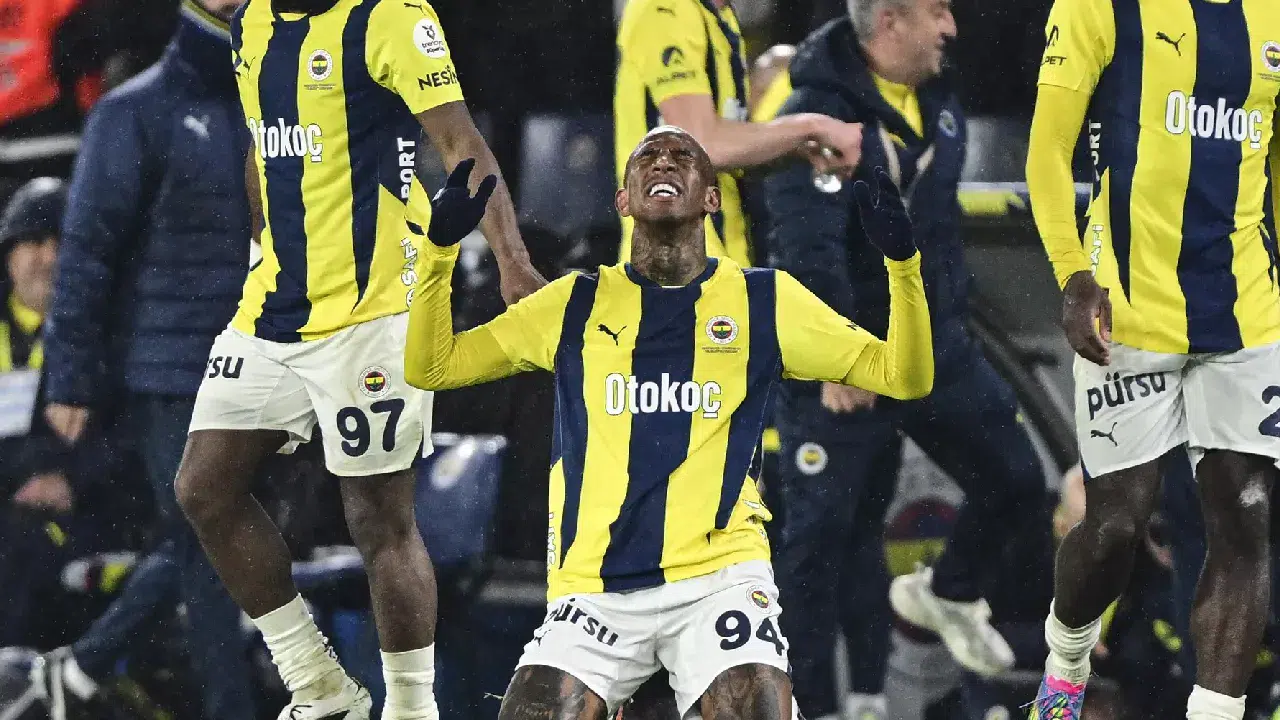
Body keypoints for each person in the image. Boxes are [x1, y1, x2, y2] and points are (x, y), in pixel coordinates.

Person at [403, 125, 932, 720]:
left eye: (684, 156)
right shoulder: (572, 304)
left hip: (718, 581)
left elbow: (903, 376)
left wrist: (903, 266)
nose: (664, 162)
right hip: (595, 593)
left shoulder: (765, 301)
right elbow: (431, 366)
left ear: (711, 197)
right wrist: (438, 254)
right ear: (622, 200)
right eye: (647, 156)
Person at [172, 0, 546, 718]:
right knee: (203, 489)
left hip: (375, 311)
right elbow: (262, 145)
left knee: (378, 518)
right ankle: (319, 685)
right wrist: (260, 247)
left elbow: (460, 141)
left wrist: (512, 260)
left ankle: (411, 707)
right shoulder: (251, 25)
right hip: (274, 307)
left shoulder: (390, 19)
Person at [762, 0, 1054, 715]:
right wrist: (835, 357)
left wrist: (949, 319)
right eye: (937, 11)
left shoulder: (940, 97)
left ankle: (950, 592)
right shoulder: (814, 115)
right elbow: (804, 246)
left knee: (1019, 478)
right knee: (820, 547)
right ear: (890, 20)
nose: (951, 27)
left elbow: (938, 229)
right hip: (848, 360)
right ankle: (805, 708)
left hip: (933, 348)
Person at [1024, 0, 1280, 715]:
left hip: (1247, 311)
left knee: (1248, 514)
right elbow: (1047, 149)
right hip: (1127, 311)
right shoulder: (1100, 7)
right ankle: (1065, 666)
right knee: (1114, 531)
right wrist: (1072, 274)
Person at [33, 3, 258, 719]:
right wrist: (71, 374)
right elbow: (88, 250)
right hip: (171, 370)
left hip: (269, 362)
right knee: (212, 544)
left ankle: (83, 667)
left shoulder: (285, 106)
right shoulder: (135, 111)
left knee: (219, 540)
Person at [614, 0, 865, 266]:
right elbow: (699, 143)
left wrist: (797, 149)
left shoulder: (720, 17)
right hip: (672, 266)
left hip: (722, 258)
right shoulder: (664, 8)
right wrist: (811, 126)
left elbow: (728, 152)